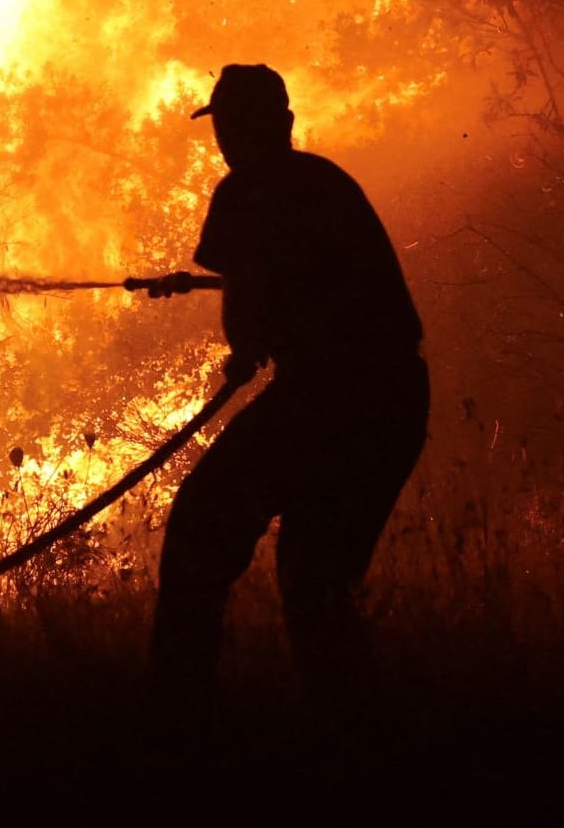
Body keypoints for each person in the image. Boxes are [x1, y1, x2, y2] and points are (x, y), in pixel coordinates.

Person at [146, 63, 429, 698]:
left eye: (230, 125)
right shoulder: (324, 181)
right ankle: (351, 736)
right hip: (396, 398)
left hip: (327, 398)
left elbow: (248, 320)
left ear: (272, 125)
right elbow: (312, 277)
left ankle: (174, 714)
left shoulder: (244, 192)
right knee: (315, 582)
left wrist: (243, 348)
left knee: (200, 527)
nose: (225, 139)